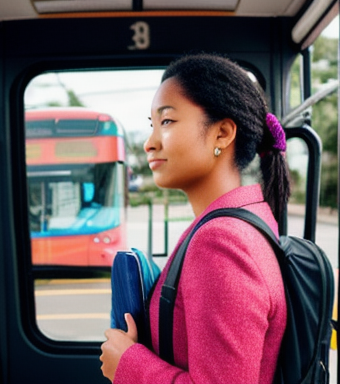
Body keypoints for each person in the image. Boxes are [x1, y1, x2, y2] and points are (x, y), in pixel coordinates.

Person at [100, 53, 290, 384]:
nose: (149, 143)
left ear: (222, 134)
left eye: (168, 122)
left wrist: (127, 364)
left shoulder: (221, 242)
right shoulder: (245, 223)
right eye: (152, 125)